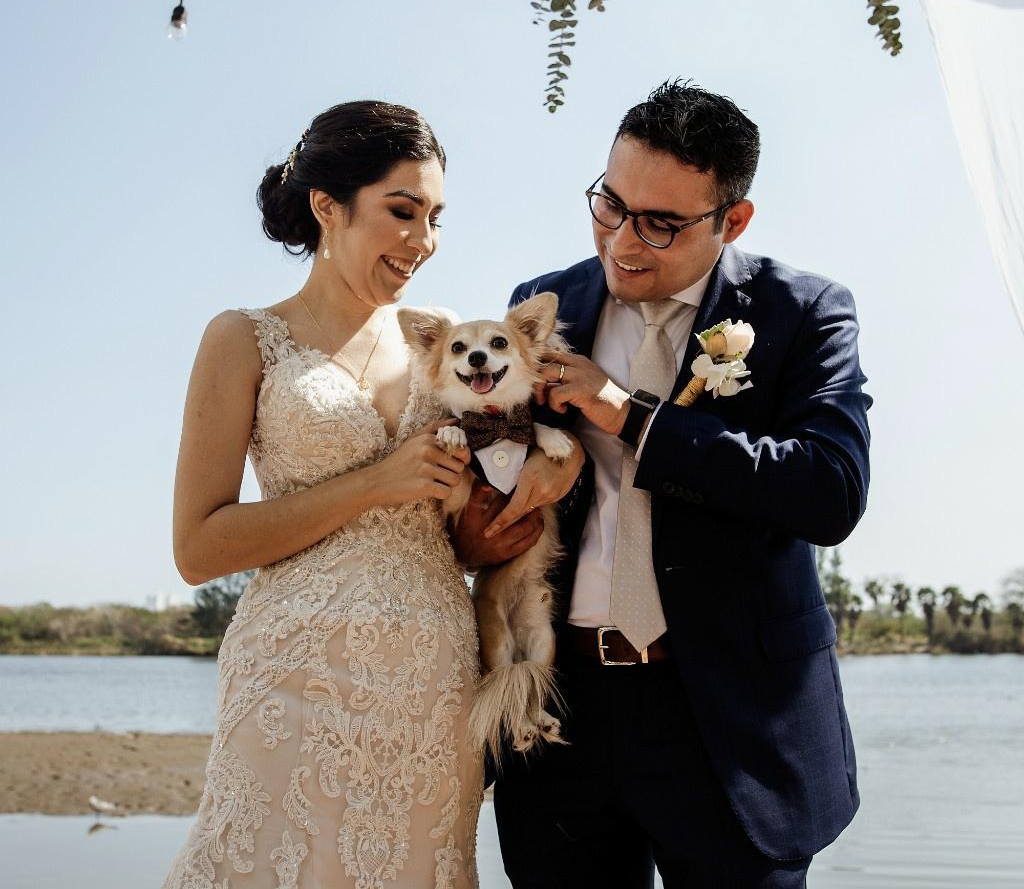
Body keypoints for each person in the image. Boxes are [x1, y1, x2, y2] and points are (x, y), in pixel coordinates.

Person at [162, 100, 582, 889]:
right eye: (402, 211)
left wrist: (523, 503)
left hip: (433, 681)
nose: (423, 240)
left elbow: (478, 507)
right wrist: (374, 483)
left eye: (436, 218)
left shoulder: (450, 335)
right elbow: (198, 547)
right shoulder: (242, 337)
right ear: (328, 206)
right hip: (292, 674)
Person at [478, 81, 872, 888]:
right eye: (609, 205)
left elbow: (830, 490)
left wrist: (628, 414)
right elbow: (500, 477)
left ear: (733, 221)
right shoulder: (539, 305)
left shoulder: (806, 311)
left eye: (660, 224)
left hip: (731, 726)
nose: (622, 242)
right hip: (561, 714)